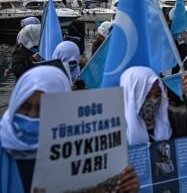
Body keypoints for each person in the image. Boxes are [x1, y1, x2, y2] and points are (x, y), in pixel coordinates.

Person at [0, 66, 140, 192]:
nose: (32, 116)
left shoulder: (85, 153)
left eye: (44, 109)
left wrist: (124, 188)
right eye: (25, 106)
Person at [119, 66, 187, 145]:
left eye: (157, 94)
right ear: (132, 97)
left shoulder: (169, 119)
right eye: (148, 95)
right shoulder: (118, 138)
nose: (154, 100)